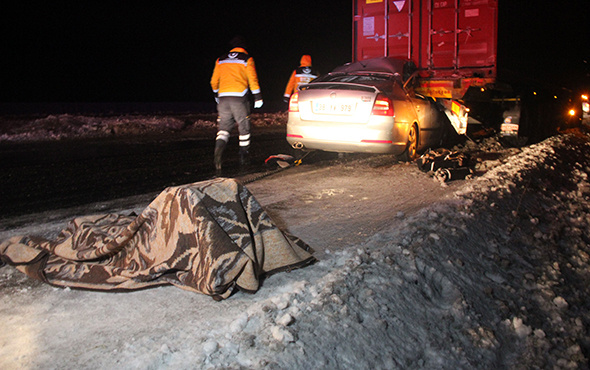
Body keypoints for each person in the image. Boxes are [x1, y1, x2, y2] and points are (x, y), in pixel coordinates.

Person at [210, 35, 263, 173]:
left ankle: (218, 151)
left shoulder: (220, 59)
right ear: (244, 48)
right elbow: (252, 79)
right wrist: (258, 97)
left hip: (223, 98)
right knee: (243, 127)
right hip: (239, 98)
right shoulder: (247, 59)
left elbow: (214, 81)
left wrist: (217, 95)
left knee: (224, 128)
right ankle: (243, 157)